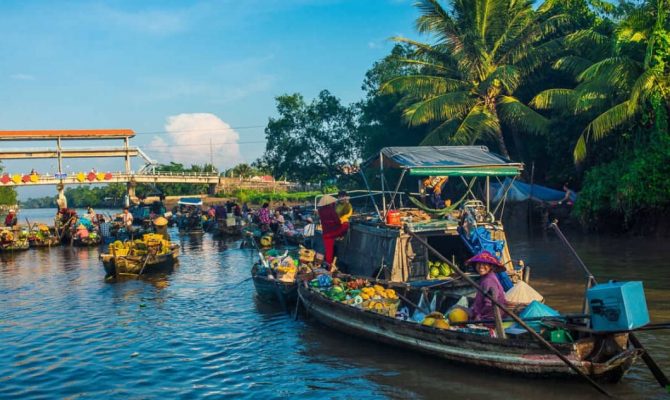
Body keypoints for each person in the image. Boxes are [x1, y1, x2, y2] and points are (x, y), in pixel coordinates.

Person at [467, 251, 507, 322]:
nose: (481, 266)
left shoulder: (488, 280)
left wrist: (479, 317)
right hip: (487, 317)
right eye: (479, 264)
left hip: (489, 319)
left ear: (491, 266)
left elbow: (489, 305)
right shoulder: (485, 278)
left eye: (484, 264)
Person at [317, 195, 348, 265]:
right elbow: (338, 222)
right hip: (333, 233)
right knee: (346, 225)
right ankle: (341, 236)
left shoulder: (320, 211)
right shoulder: (331, 210)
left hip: (325, 234)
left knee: (329, 251)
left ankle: (328, 265)